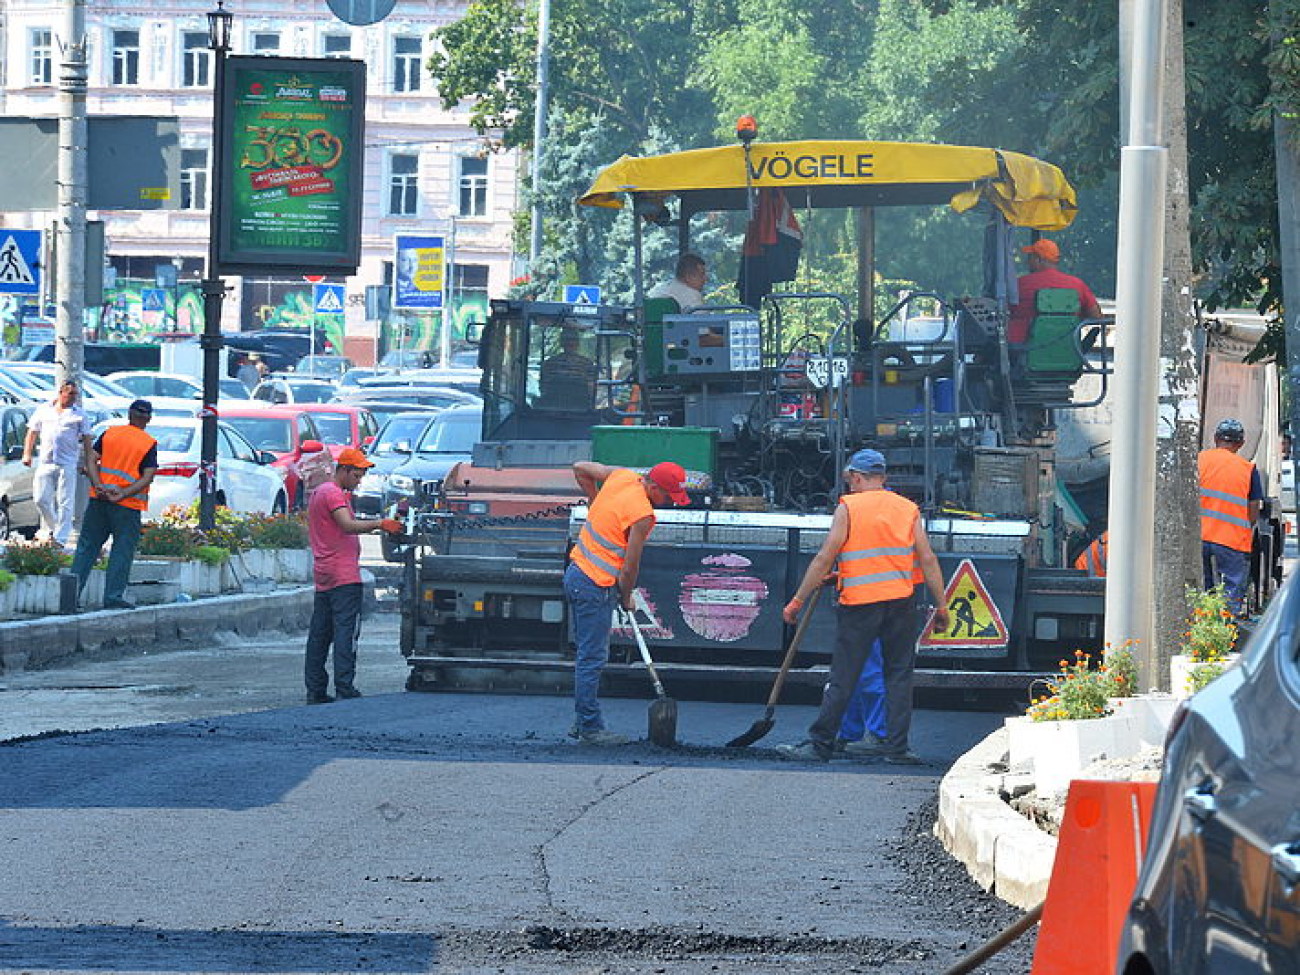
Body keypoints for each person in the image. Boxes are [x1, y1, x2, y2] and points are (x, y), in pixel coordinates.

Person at [777, 449, 949, 764]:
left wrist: (797, 600)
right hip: (901, 602)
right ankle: (896, 748)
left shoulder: (850, 507)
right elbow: (927, 559)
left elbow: (825, 556)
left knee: (844, 675)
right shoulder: (907, 508)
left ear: (857, 477)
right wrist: (942, 606)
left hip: (860, 605)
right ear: (882, 477)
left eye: (850, 481)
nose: (850, 487)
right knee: (898, 676)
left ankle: (820, 745)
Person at [565, 460, 691, 743]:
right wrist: (626, 596)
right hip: (593, 584)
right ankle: (589, 727)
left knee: (590, 655)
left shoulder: (622, 476)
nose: (669, 502)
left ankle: (584, 721)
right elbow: (630, 567)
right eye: (668, 496)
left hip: (577, 574)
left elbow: (580, 468)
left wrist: (595, 502)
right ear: (654, 487)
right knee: (592, 657)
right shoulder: (643, 515)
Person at [304, 447, 404, 704]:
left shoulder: (320, 493)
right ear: (344, 470)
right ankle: (344, 687)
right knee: (345, 633)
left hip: (324, 573)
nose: (359, 481)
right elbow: (347, 525)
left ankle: (315, 689)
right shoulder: (333, 493)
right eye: (357, 475)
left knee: (320, 634)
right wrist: (381, 524)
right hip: (343, 575)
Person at [69, 399, 158, 610]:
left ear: (129, 414)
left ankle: (70, 597)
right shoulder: (148, 443)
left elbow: (91, 459)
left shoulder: (110, 433)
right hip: (128, 505)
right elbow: (147, 477)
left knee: (86, 548)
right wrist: (123, 493)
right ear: (148, 418)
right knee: (121, 550)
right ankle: (113, 596)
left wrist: (98, 484)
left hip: (98, 500)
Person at [1198, 418, 1262, 617]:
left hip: (1199, 537)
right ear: (1241, 443)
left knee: (1203, 587)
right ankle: (1225, 632)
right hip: (1231, 540)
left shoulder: (1199, 460)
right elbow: (1254, 508)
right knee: (1231, 589)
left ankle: (1202, 628)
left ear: (1216, 438)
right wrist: (1245, 525)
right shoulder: (1248, 469)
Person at [22, 379, 92, 548]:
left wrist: (88, 463)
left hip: (67, 462)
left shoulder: (79, 415)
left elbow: (87, 440)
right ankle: (54, 527)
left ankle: (60, 539)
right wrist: (27, 453)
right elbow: (32, 432)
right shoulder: (44, 410)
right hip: (46, 461)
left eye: (75, 394)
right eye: (70, 394)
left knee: (65, 502)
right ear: (61, 393)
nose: (73, 397)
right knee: (40, 498)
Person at [1007, 239, 1103, 345]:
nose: (1027, 262)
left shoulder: (1019, 284)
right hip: (1068, 351)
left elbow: (1004, 313)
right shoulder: (1077, 285)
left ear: (1038, 259)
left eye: (1030, 258)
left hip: (1025, 352)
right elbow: (1096, 317)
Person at [538, 328, 597, 408]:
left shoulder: (587, 364)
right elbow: (543, 388)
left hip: (581, 409)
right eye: (567, 341)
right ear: (562, 343)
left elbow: (591, 387)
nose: (570, 343)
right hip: (553, 408)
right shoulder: (550, 363)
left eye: (572, 341)